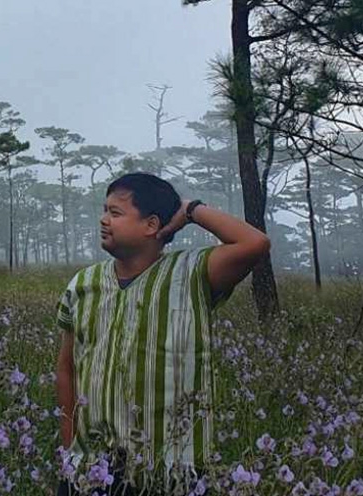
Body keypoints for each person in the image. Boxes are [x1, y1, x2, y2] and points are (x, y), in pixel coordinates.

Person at [55, 173, 271, 495]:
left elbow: (255, 243)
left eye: (115, 213)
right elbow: (66, 369)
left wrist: (190, 210)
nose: (103, 220)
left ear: (152, 225)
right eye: (105, 211)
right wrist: (71, 453)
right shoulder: (83, 285)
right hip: (93, 468)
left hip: (171, 469)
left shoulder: (193, 273)